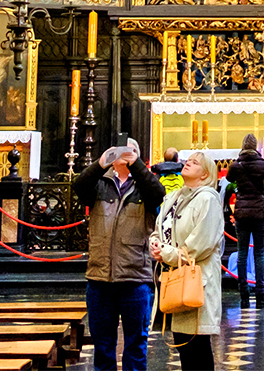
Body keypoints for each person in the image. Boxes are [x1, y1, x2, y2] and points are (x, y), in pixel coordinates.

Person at [74, 138, 165, 371]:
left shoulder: (144, 186)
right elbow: (78, 186)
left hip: (135, 277)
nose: (123, 156)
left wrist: (137, 166)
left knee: (135, 345)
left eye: (130, 152)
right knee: (103, 347)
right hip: (99, 277)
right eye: (119, 152)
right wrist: (100, 163)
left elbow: (158, 194)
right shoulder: (99, 184)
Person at [151, 150, 223, 370]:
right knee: (184, 347)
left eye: (195, 163)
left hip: (196, 281)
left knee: (197, 347)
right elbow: (158, 228)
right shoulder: (174, 196)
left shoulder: (208, 199)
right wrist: (155, 244)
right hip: (173, 279)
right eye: (188, 160)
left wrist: (167, 254)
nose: (188, 164)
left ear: (206, 174)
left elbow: (200, 245)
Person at [226, 134, 264, 308]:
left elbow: (229, 180)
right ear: (255, 148)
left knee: (242, 254)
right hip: (260, 212)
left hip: (242, 212)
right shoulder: (263, 165)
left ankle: (244, 295)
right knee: (259, 254)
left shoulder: (235, 166)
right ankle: (260, 296)